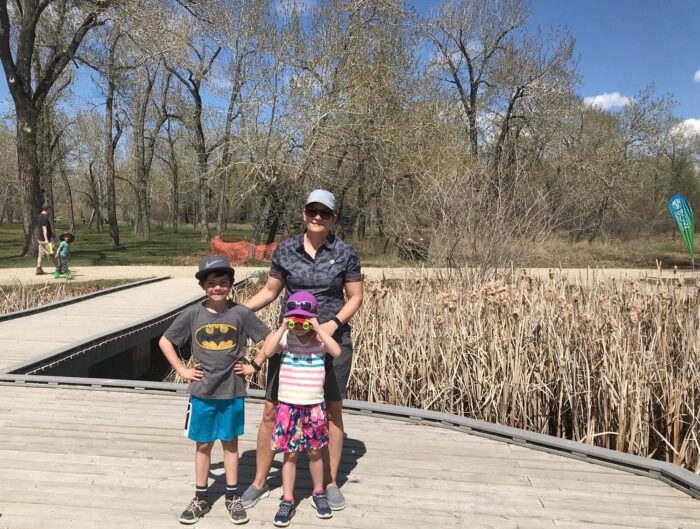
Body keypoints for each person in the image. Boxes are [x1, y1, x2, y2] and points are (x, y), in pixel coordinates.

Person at [241, 189, 363, 512]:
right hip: (291, 342)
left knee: (332, 411)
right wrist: (238, 312)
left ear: (333, 217)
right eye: (313, 211)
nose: (317, 217)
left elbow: (355, 297)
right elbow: (270, 291)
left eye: (324, 212)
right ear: (304, 213)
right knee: (271, 409)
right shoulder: (286, 249)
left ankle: (331, 482)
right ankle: (259, 482)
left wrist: (333, 324)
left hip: (331, 339)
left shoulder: (345, 252)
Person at [159, 256, 270, 525]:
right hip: (202, 392)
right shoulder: (193, 314)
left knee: (230, 445)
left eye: (223, 283)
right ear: (202, 287)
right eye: (211, 283)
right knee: (204, 445)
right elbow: (165, 341)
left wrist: (254, 364)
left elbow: (270, 338)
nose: (217, 288)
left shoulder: (240, 313)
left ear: (231, 284)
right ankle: (201, 497)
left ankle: (232, 496)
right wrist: (183, 371)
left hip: (232, 391)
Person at [237, 292, 341, 526]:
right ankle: (287, 498)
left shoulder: (320, 341)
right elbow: (270, 349)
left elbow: (337, 352)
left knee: (315, 452)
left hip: (314, 406)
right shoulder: (286, 338)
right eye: (295, 318)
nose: (299, 324)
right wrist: (284, 325)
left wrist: (318, 327)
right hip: (288, 405)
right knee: (289, 454)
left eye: (304, 319)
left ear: (313, 318)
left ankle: (318, 493)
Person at [36, 201, 57, 275]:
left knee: (40, 255)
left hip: (40, 239)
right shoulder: (44, 218)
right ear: (47, 209)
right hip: (45, 240)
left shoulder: (39, 216)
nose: (50, 210)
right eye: (49, 209)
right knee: (51, 254)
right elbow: (44, 230)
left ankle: (38, 269)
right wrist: (46, 240)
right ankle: (58, 268)